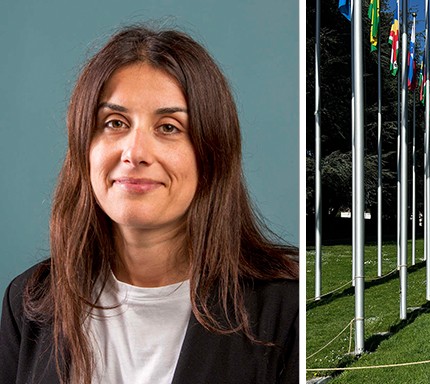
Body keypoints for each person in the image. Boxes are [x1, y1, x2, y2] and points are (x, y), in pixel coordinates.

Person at [0, 26, 298, 383]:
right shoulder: (30, 302)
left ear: (212, 151)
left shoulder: (286, 308)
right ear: (83, 148)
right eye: (114, 122)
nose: (135, 153)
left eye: (169, 127)